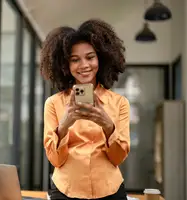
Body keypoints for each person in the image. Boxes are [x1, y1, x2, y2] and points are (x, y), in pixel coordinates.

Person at [40, 19, 130, 200]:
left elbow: (118, 158)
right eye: (75, 60)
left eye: (90, 57)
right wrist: (65, 124)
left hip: (110, 191)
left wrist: (107, 125)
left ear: (101, 58)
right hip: (66, 191)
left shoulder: (120, 103)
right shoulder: (53, 103)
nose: (84, 65)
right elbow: (55, 160)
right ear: (65, 65)